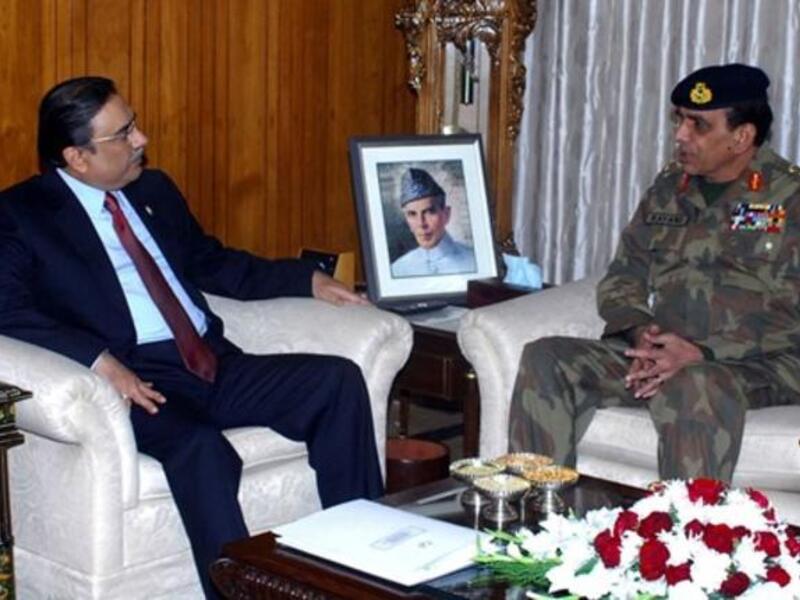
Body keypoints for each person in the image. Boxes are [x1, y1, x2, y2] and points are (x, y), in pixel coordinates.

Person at [0, 76, 384, 598]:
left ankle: (360, 565)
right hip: (136, 378)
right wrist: (97, 361)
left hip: (208, 360)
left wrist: (305, 279)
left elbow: (210, 261)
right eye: (124, 134)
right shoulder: (22, 216)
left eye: (134, 124)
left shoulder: (152, 190)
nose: (142, 140)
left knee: (335, 382)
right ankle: (237, 592)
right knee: (200, 449)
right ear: (78, 156)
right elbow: (8, 310)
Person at [508, 63, 800, 483]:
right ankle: (537, 521)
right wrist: (640, 331)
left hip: (758, 363)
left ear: (742, 136)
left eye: (698, 125)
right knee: (547, 357)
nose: (681, 135)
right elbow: (623, 274)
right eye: (679, 119)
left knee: (695, 384)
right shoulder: (669, 189)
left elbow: (789, 316)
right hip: (660, 352)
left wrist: (703, 351)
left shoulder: (789, 198)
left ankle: (683, 540)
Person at [390, 167, 476, 277]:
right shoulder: (397, 269)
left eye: (429, 211)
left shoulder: (473, 261)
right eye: (412, 214)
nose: (421, 223)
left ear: (446, 214)